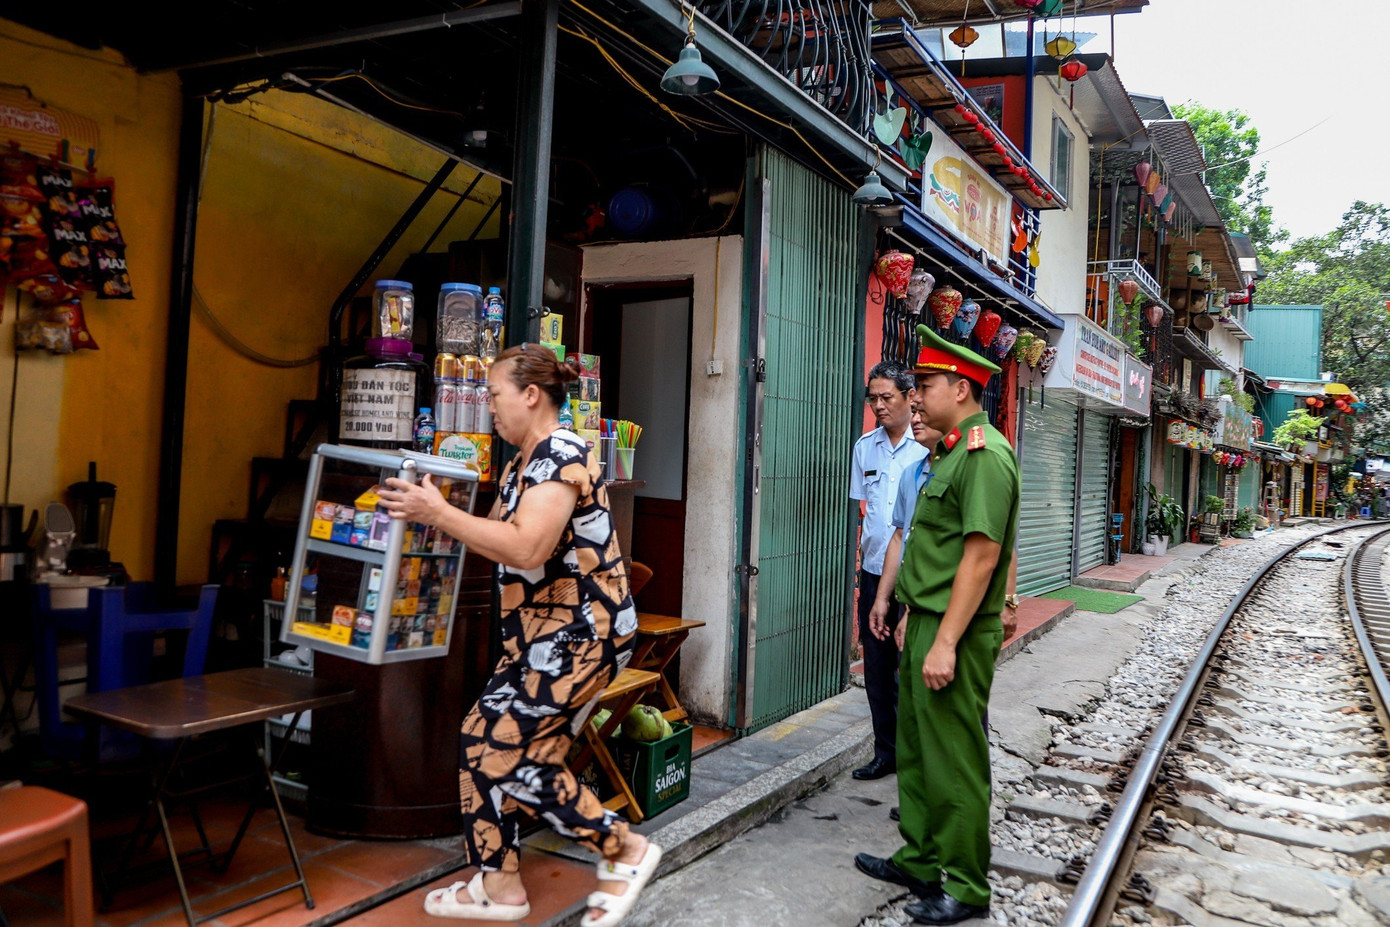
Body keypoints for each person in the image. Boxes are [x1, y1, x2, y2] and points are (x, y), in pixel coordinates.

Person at [377, 343, 659, 927]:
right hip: (537, 641)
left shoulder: (560, 452)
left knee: (514, 752)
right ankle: (500, 885)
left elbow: (528, 545)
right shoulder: (520, 464)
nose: (488, 408)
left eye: (494, 395)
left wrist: (439, 515)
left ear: (531, 395)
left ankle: (624, 850)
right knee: (483, 737)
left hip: (583, 634)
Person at [854, 325, 1021, 926]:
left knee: (956, 757)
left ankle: (970, 887)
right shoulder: (948, 452)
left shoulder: (984, 454)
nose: (915, 397)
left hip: (957, 629)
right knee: (920, 753)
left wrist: (946, 639)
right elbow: (921, 540)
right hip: (925, 619)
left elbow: (980, 556)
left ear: (960, 385)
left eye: (924, 385)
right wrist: (908, 616)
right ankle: (921, 860)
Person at [849, 362, 929, 781]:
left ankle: (918, 763)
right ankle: (887, 752)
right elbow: (867, 511)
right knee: (877, 668)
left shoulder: (928, 446)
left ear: (909, 396)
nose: (878, 406)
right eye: (873, 398)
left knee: (913, 670)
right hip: (877, 572)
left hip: (917, 578)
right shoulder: (865, 446)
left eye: (887, 398)